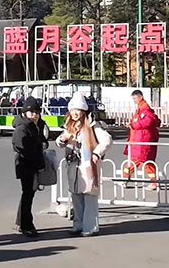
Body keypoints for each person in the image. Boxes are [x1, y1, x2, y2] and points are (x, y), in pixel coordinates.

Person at [56, 92, 112, 237]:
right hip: (74, 165)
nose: (75, 113)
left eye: (78, 110)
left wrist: (96, 153)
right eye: (72, 110)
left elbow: (107, 140)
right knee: (76, 195)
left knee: (89, 196)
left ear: (83, 111)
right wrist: (62, 140)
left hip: (88, 165)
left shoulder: (92, 125)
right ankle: (78, 224)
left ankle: (91, 227)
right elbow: (60, 140)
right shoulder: (69, 125)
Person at [12, 97, 47, 238]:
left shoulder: (35, 125)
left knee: (28, 194)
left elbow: (42, 141)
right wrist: (37, 149)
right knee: (27, 194)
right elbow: (20, 146)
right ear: (25, 112)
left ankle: (21, 222)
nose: (34, 114)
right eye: (31, 112)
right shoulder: (22, 127)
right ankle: (26, 224)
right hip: (26, 164)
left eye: (36, 112)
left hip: (31, 163)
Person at [122, 90, 160, 190]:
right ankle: (153, 182)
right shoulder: (141, 109)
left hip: (142, 141)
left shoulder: (144, 109)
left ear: (140, 97)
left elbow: (148, 121)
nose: (134, 100)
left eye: (135, 98)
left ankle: (125, 179)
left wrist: (134, 125)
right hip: (140, 140)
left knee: (137, 161)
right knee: (146, 162)